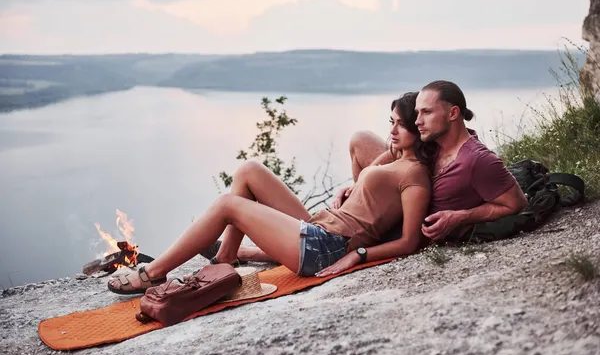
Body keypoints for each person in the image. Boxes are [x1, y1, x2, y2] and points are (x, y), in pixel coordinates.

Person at [108, 92, 434, 294]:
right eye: (389, 121)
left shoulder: (415, 176)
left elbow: (409, 242)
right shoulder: (396, 154)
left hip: (327, 248)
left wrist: (357, 255)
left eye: (399, 126)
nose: (391, 131)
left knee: (227, 205)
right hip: (319, 226)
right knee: (249, 170)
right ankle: (226, 261)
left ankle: (153, 273)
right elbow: (368, 156)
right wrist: (356, 184)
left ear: (418, 131)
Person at [341, 80, 528, 244]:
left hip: (405, 225)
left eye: (426, 112)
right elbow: (395, 151)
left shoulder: (477, 160)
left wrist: (460, 216)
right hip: (401, 193)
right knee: (361, 138)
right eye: (417, 113)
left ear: (453, 113)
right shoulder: (432, 140)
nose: (417, 122)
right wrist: (358, 186)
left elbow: (516, 203)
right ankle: (353, 206)